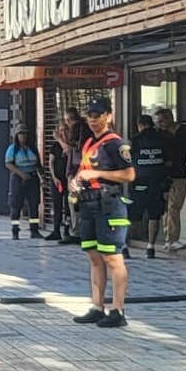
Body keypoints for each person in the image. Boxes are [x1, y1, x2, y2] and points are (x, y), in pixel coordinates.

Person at [70, 96, 135, 328]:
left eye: (98, 116)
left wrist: (98, 175)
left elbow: (129, 175)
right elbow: (83, 169)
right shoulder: (88, 143)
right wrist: (76, 180)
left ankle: (118, 310)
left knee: (113, 258)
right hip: (88, 203)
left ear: (108, 116)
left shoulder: (116, 143)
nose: (94, 120)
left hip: (109, 204)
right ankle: (97, 306)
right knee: (93, 256)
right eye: (90, 116)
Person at [154, 107, 186, 251]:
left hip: (180, 173)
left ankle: (171, 238)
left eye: (162, 121)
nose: (160, 125)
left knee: (174, 206)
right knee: (167, 207)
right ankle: (169, 238)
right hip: (163, 174)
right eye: (157, 122)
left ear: (170, 118)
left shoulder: (185, 131)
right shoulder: (159, 134)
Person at [130, 115, 173, 259]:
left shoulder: (135, 141)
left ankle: (124, 247)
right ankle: (150, 247)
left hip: (139, 183)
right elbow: (168, 162)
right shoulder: (163, 139)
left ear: (140, 125)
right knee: (154, 215)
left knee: (134, 216)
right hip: (158, 183)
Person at [54, 107, 90, 245]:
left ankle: (77, 232)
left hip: (78, 171)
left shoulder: (78, 128)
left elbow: (70, 148)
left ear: (68, 119)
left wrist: (59, 138)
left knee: (75, 202)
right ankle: (78, 231)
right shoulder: (84, 128)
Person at [4, 125, 43, 240]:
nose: (23, 136)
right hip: (18, 179)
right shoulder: (13, 148)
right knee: (16, 205)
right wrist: (21, 174)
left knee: (33, 204)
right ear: (17, 135)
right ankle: (15, 231)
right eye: (21, 133)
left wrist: (43, 177)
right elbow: (8, 164)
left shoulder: (32, 148)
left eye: (25, 133)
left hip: (32, 178)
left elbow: (38, 164)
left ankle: (34, 230)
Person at [47, 139, 68, 241]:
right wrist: (54, 177)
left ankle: (67, 231)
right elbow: (51, 162)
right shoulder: (55, 145)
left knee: (69, 206)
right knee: (57, 205)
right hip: (57, 179)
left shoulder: (69, 145)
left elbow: (68, 151)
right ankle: (56, 230)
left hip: (68, 179)